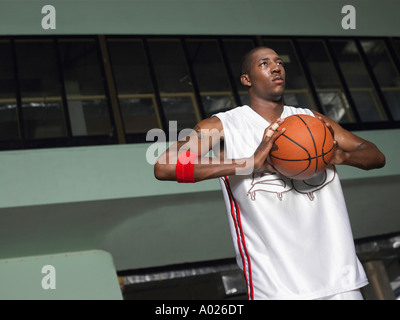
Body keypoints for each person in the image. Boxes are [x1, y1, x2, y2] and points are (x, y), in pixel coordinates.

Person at [154, 46, 386, 300]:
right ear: (247, 79)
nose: (276, 67)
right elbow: (165, 166)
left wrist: (339, 156)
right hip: (276, 286)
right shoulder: (225, 126)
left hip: (340, 279)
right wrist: (249, 163)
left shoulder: (312, 121)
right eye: (264, 63)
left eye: (279, 62)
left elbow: (375, 156)